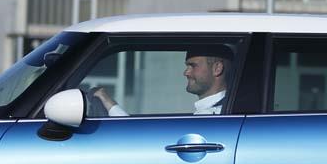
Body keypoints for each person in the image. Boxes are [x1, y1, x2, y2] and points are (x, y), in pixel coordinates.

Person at [92, 45, 233, 116]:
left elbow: (143, 145)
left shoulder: (215, 115)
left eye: (193, 66)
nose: (186, 72)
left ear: (217, 68)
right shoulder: (220, 112)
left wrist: (108, 102)